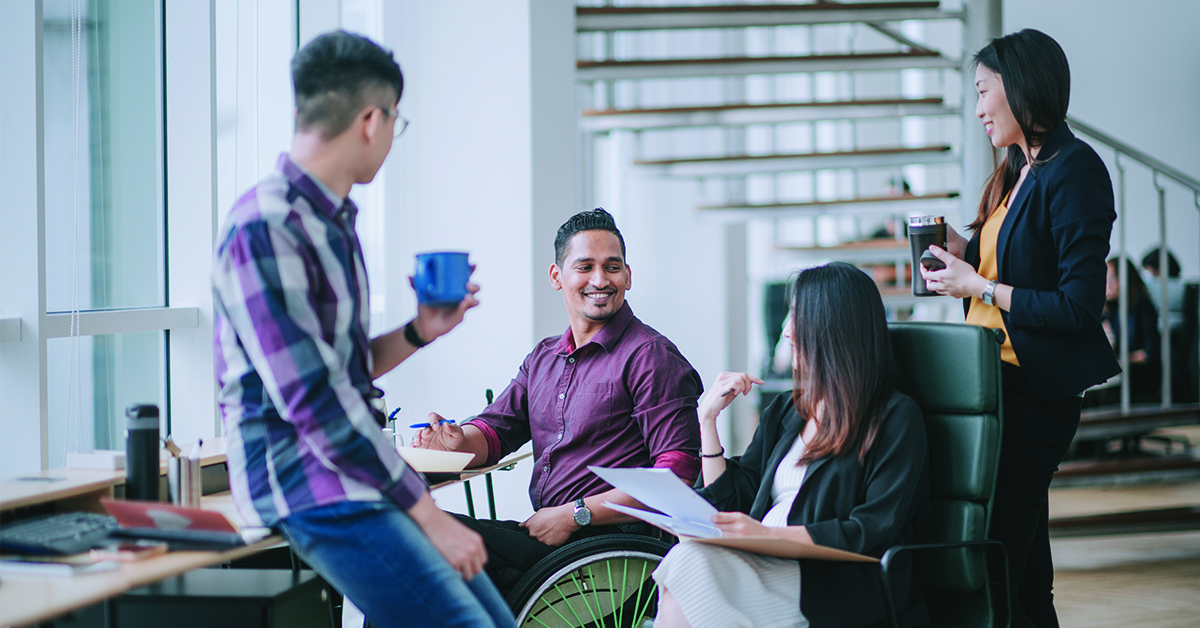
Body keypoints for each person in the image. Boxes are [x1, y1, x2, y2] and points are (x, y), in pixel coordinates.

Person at [212, 31, 514, 628]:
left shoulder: (332, 222)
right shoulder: (265, 228)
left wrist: (420, 332)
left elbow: (340, 369)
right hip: (311, 488)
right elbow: (313, 400)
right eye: (396, 124)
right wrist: (430, 516)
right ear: (373, 120)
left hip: (353, 479)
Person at [919, 29, 1119, 628]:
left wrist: (978, 286)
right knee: (1023, 569)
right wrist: (963, 249)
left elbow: (1079, 308)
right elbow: (1006, 257)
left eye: (984, 92)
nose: (978, 108)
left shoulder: (1075, 170)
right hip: (990, 385)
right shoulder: (1017, 169)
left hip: (1031, 395)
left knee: (998, 558)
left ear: (1021, 88)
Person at [413, 208, 703, 595]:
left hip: (605, 547)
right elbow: (497, 430)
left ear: (627, 276)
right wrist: (458, 441)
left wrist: (576, 514)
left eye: (612, 267)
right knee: (410, 530)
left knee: (419, 531)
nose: (600, 280)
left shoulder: (650, 356)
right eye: (584, 266)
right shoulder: (544, 358)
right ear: (557, 277)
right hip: (550, 538)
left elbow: (677, 475)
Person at [652, 262, 931, 628]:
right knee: (687, 557)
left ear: (833, 327)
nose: (787, 332)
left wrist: (767, 534)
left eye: (798, 317)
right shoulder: (787, 408)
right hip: (763, 562)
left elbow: (872, 528)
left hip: (833, 580)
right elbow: (737, 496)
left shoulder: (894, 417)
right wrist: (707, 421)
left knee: (687, 568)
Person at [1103, 257, 1161, 402]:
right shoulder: (1113, 309)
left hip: (1141, 374)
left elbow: (1150, 353)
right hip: (1123, 369)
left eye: (1111, 279)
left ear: (1125, 279)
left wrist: (1121, 360)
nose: (1106, 285)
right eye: (1104, 280)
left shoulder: (1143, 306)